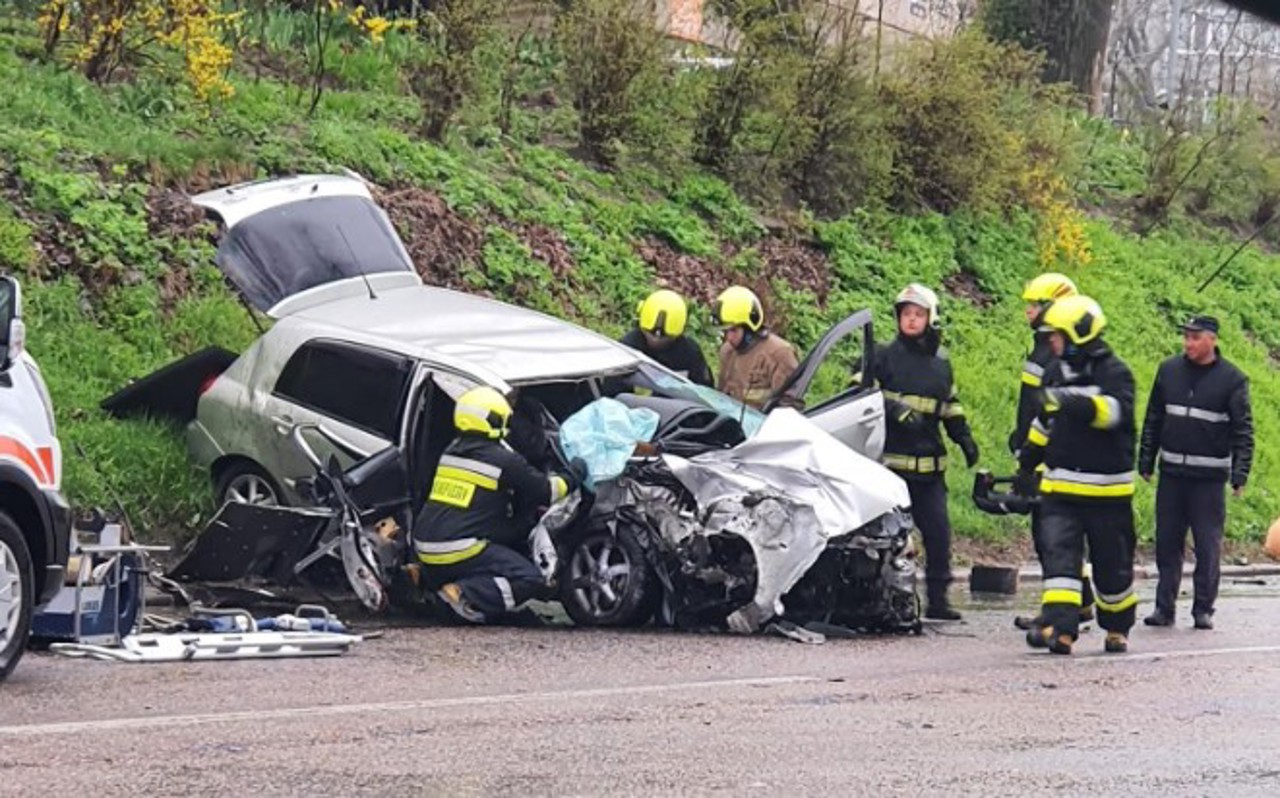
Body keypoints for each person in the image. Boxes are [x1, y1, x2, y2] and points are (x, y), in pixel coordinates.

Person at [1017, 295, 1137, 655]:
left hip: (1107, 495)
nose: (1051, 342)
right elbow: (1044, 423)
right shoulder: (1054, 371)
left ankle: (1117, 627)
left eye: (1056, 335)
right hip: (1060, 490)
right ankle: (1062, 628)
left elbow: (1115, 413)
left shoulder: (1115, 373)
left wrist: (1071, 402)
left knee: (1112, 568)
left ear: (1078, 333)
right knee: (1060, 563)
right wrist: (1027, 460)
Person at [412, 385, 570, 624]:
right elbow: (547, 492)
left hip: (426, 546)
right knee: (529, 578)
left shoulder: (451, 453)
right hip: (459, 549)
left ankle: (419, 576)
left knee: (504, 544)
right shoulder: (503, 460)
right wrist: (573, 475)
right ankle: (462, 594)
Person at [869, 283, 979, 621]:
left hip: (931, 471)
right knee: (886, 538)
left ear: (931, 318)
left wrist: (965, 438)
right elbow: (859, 393)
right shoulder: (883, 355)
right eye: (906, 314)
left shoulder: (941, 364)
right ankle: (881, 599)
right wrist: (893, 407)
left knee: (938, 534)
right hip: (892, 468)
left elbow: (950, 406)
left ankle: (939, 600)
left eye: (918, 314)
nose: (911, 320)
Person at [1139, 315, 1253, 631]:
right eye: (1186, 337)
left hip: (1208, 480)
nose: (1188, 343)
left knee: (1207, 545)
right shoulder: (1169, 371)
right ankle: (1164, 608)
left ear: (1212, 339)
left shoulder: (1232, 380)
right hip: (1173, 474)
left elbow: (1243, 431)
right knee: (1167, 543)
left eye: (1195, 337)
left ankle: (1203, 609)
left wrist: (1239, 473)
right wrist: (1146, 459)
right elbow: (1153, 418)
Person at [1009, 273, 1095, 630]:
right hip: (1040, 451)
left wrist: (1030, 449)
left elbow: (1048, 412)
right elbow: (1028, 404)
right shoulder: (1045, 348)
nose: (1029, 311)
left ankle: (1059, 611)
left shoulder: (1060, 354)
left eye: (1035, 304)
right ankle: (1083, 601)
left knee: (1052, 537)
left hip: (1052, 457)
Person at [712, 285, 800, 410]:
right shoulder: (727, 352)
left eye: (733, 330)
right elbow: (720, 397)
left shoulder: (780, 354)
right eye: (725, 332)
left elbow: (790, 407)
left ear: (749, 328)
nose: (728, 338)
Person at [619, 289, 713, 387]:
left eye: (665, 336)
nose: (657, 337)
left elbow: (705, 390)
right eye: (650, 333)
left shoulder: (690, 353)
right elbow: (610, 388)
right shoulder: (627, 349)